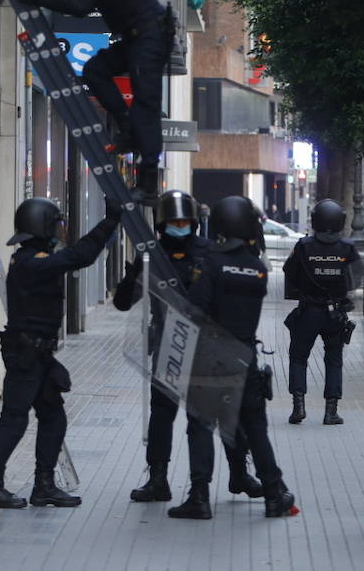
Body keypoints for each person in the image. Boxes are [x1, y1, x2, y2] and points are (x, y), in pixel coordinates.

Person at [112, 190, 263, 503]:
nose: (179, 226)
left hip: (209, 344)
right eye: (174, 221)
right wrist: (131, 277)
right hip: (170, 340)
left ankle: (239, 472)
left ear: (194, 223)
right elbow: (123, 303)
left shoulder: (209, 252)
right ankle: (157, 478)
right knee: (162, 412)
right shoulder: (151, 255)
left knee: (225, 411)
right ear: (162, 223)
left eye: (185, 220)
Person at [0, 194, 123, 509]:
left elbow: (75, 255)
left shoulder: (35, 257)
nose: (61, 230)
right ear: (42, 227)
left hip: (38, 355)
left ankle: (44, 485)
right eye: (57, 224)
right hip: (26, 354)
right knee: (14, 419)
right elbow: (79, 256)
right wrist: (110, 221)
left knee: (53, 416)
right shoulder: (32, 262)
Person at [14, 0, 169, 203]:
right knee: (96, 70)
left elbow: (80, 3)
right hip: (136, 38)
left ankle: (148, 183)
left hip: (149, 38)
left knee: (145, 107)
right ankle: (125, 128)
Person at [169, 195, 296, 520]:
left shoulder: (208, 262)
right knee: (255, 428)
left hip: (209, 357)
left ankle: (199, 496)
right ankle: (273, 493)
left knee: (200, 425)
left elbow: (194, 308)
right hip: (245, 357)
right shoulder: (257, 268)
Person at [283, 199, 360, 426]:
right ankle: (331, 411)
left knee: (298, 357)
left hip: (307, 312)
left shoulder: (304, 246)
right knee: (334, 360)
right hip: (335, 314)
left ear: (315, 220)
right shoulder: (347, 248)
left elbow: (290, 272)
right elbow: (356, 278)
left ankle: (298, 406)